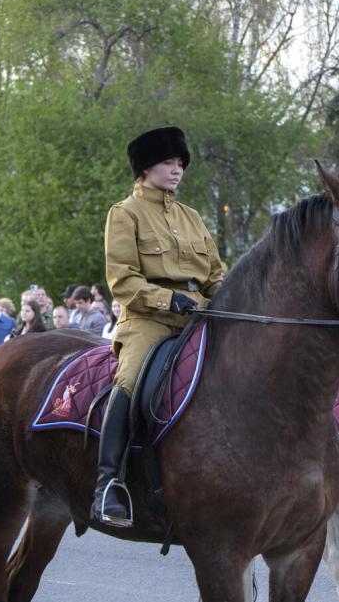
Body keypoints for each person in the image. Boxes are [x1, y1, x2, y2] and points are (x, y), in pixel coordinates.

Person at [97, 125, 225, 527]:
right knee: (130, 382)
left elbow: (216, 275)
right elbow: (122, 280)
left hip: (201, 315)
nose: (177, 170)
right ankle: (107, 483)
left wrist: (234, 297)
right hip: (148, 320)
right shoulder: (125, 213)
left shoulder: (192, 217)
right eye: (168, 163)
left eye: (180, 163)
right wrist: (169, 299)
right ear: (146, 167)